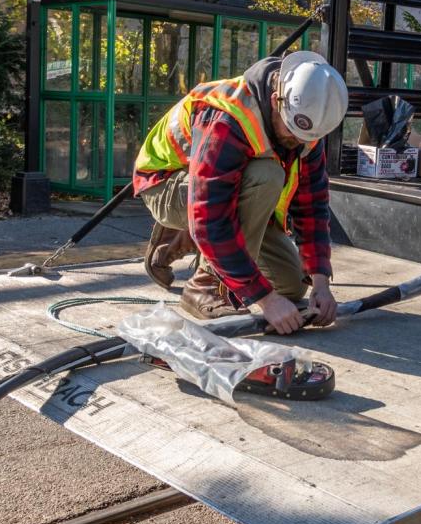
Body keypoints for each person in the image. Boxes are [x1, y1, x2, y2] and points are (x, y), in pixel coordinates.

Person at [132, 49, 349, 334]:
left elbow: (313, 207)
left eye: (308, 137)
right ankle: (205, 284)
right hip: (167, 187)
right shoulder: (227, 118)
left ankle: (186, 238)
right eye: (293, 132)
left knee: (291, 287)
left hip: (228, 199)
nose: (298, 143)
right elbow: (210, 217)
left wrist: (321, 283)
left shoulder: (306, 125)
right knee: (267, 175)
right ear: (276, 100)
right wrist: (266, 301)